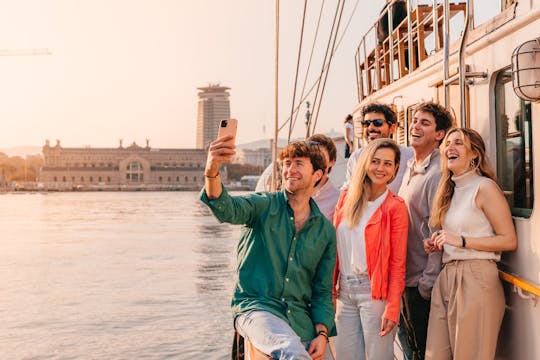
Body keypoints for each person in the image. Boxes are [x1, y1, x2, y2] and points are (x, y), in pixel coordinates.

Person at [201, 135, 336, 359]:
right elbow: (226, 209)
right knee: (292, 352)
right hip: (256, 309)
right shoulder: (263, 205)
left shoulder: (326, 231)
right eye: (287, 163)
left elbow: (322, 291)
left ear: (318, 175)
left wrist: (322, 334)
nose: (290, 169)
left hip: (300, 318)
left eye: (299, 164)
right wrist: (211, 171)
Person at [424, 128, 517, 360]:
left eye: (458, 143)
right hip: (447, 277)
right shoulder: (450, 190)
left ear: (474, 154)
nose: (449, 148)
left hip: (475, 278)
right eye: (447, 143)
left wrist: (461, 241)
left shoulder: (484, 188)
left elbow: (509, 240)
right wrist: (440, 242)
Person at [332, 138, 408, 360]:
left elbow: (397, 264)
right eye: (375, 161)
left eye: (387, 163)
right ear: (365, 163)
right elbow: (333, 249)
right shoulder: (346, 198)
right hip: (344, 293)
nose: (380, 168)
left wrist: (392, 307)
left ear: (395, 170)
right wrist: (330, 289)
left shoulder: (395, 207)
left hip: (376, 296)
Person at [397, 101, 453, 360]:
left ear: (439, 135)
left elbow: (437, 228)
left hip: (420, 282)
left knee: (423, 353)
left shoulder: (435, 174)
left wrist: (426, 285)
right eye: (415, 120)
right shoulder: (411, 168)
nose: (415, 126)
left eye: (424, 123)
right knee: (411, 349)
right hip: (405, 277)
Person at [343, 102, 413, 193]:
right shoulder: (356, 158)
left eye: (377, 123)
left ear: (392, 128)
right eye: (366, 123)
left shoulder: (409, 156)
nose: (371, 127)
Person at [307, 134, 340, 221]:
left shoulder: (338, 201)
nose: (314, 162)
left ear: (332, 161)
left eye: (320, 157)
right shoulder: (293, 195)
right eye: (310, 156)